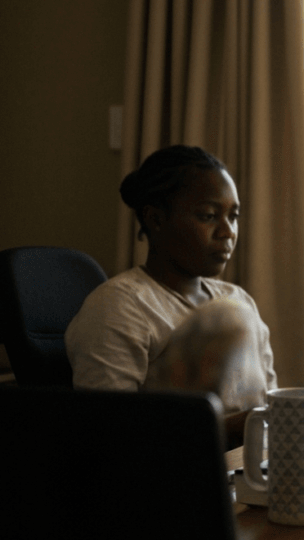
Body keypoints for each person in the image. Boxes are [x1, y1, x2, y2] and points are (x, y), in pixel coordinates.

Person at [66, 145, 277, 446]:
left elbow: (269, 402)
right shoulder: (118, 307)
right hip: (171, 484)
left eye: (234, 216)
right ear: (156, 219)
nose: (228, 231)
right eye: (208, 215)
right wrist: (243, 426)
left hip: (254, 475)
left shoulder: (239, 301)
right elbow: (111, 433)